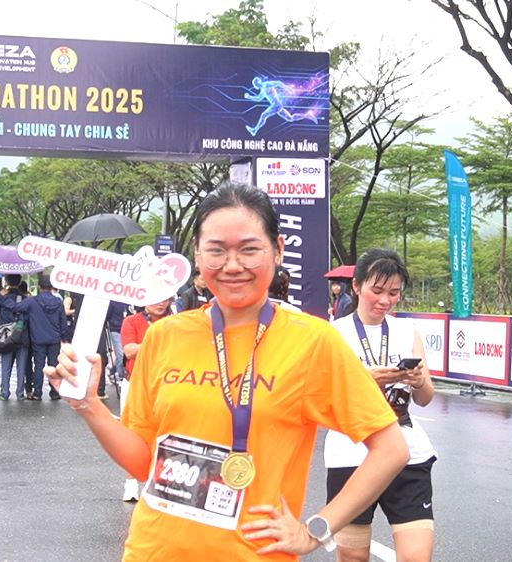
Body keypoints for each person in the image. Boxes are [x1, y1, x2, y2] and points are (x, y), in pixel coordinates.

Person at [45, 183, 408, 559]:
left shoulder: (313, 342)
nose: (232, 265)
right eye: (216, 251)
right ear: (198, 257)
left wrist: (315, 529)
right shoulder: (165, 336)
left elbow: (390, 449)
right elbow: (142, 462)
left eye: (249, 249)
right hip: (154, 551)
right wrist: (89, 404)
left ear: (278, 250)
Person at [324, 248, 437, 562]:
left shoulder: (407, 330)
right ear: (357, 286)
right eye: (377, 290)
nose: (385, 300)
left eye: (394, 293)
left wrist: (418, 381)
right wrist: (365, 381)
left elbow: (426, 398)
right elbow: (323, 406)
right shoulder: (332, 335)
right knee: (353, 557)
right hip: (351, 453)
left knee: (417, 557)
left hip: (408, 453)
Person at [117, 295, 174, 502]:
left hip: (165, 384)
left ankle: (157, 483)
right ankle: (130, 484)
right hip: (134, 383)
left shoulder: (177, 321)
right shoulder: (131, 321)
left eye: (166, 299)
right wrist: (158, 340)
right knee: (131, 435)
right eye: (156, 298)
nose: (161, 302)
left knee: (165, 434)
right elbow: (129, 350)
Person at [17, 276, 67, 401]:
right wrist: (63, 336)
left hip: (38, 338)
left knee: (39, 365)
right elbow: (63, 322)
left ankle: (37, 392)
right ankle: (54, 392)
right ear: (52, 287)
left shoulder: (32, 301)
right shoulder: (58, 302)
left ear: (39, 287)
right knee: (53, 365)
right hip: (54, 339)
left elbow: (17, 308)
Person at [0, 274, 29, 401]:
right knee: (21, 366)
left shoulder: (2, 297)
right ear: (19, 282)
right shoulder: (24, 298)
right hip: (21, 335)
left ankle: (4, 393)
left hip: (5, 336)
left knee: (6, 366)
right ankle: (20, 393)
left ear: (6, 281)